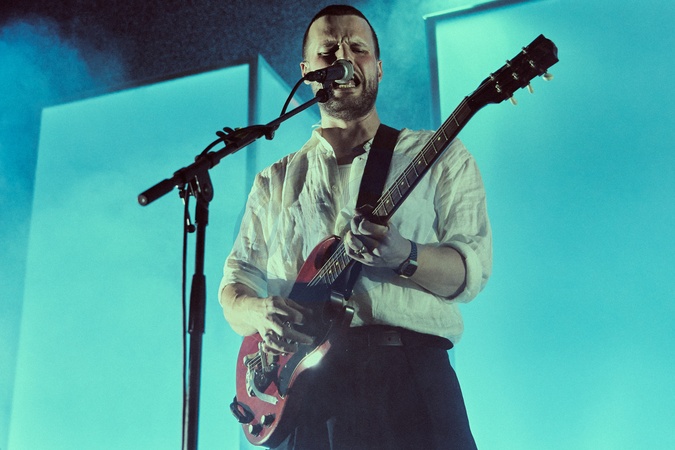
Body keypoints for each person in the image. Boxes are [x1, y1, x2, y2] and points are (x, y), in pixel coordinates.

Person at [219, 4, 491, 449]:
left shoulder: (440, 156)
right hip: (303, 392)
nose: (344, 59)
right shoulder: (274, 181)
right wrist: (259, 312)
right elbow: (235, 288)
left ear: (378, 68)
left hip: (409, 376)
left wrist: (405, 256)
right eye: (328, 51)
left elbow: (468, 273)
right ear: (306, 72)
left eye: (358, 49)